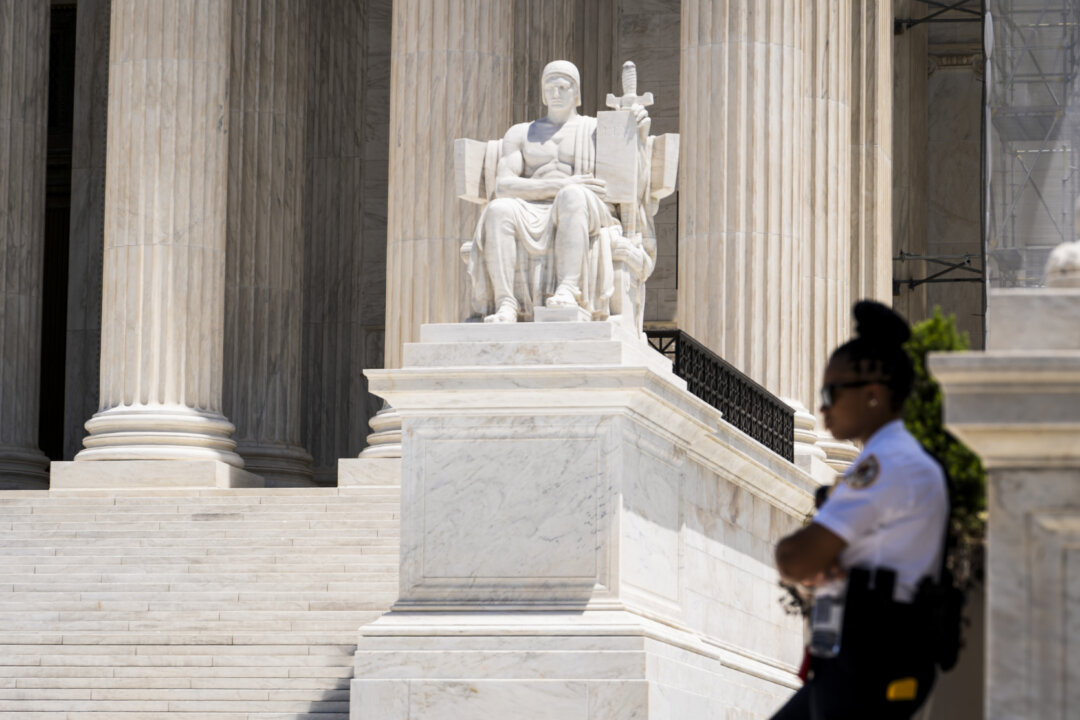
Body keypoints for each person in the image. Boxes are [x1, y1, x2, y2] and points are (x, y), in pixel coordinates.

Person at [770, 301, 949, 720]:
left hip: (870, 666)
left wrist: (803, 562)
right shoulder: (895, 459)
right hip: (863, 659)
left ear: (873, 395)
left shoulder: (887, 464)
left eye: (833, 393)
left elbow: (795, 557)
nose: (824, 408)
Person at [465, 60, 652, 323]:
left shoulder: (597, 130)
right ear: (542, 92)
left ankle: (569, 288)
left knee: (571, 196)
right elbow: (503, 185)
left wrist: (638, 137)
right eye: (550, 87)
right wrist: (561, 184)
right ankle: (506, 302)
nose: (556, 93)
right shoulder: (520, 133)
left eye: (563, 87)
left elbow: (631, 181)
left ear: (576, 93)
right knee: (497, 210)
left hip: (586, 208)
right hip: (531, 206)